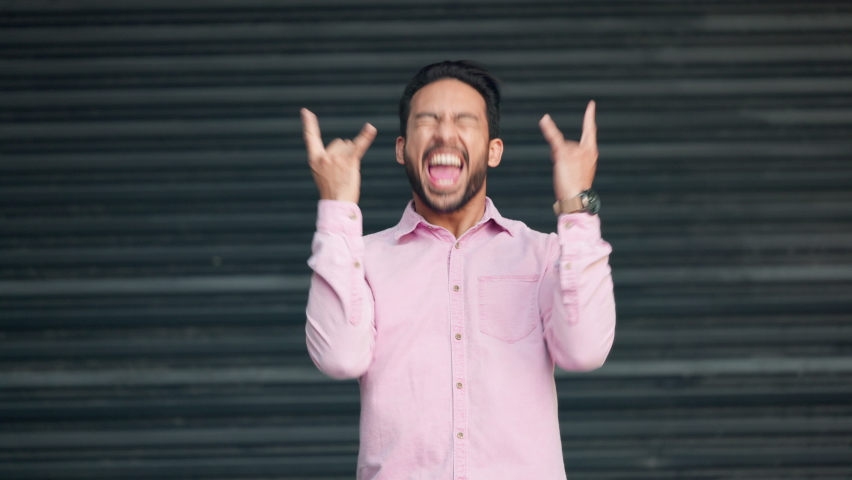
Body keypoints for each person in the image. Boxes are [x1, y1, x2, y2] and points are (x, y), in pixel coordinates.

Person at [302, 60, 615, 480]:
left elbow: (585, 351)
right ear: (401, 148)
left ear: (493, 150)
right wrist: (337, 206)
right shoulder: (362, 259)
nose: (445, 133)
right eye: (427, 120)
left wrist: (577, 204)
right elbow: (338, 358)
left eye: (464, 120)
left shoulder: (544, 255)